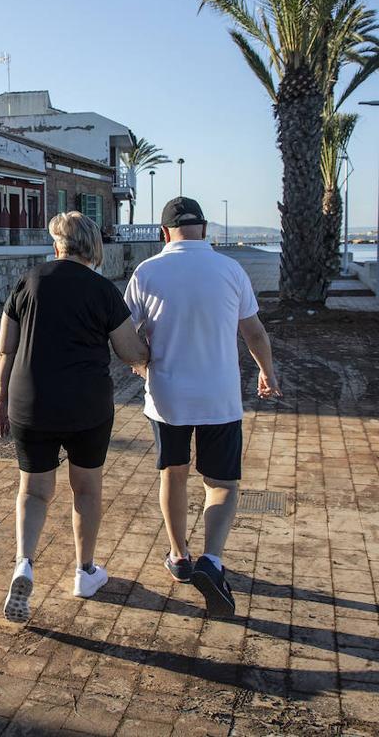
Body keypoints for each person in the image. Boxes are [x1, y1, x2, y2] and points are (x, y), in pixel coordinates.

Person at [124, 197, 281, 617]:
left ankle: (179, 556)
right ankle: (211, 559)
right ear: (205, 229)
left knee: (173, 474)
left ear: (164, 233)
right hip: (219, 397)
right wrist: (266, 372)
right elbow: (254, 333)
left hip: (168, 397)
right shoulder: (231, 270)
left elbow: (123, 333)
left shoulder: (147, 271)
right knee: (222, 483)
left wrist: (140, 363)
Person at [0, 211, 149, 623]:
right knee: (86, 490)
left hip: (29, 402)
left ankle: (24, 563)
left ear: (57, 244)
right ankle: (84, 572)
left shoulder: (28, 281)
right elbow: (130, 352)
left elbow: (5, 348)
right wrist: (148, 350)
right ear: (92, 246)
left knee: (33, 491)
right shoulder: (102, 290)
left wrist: (0, 398)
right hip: (86, 405)